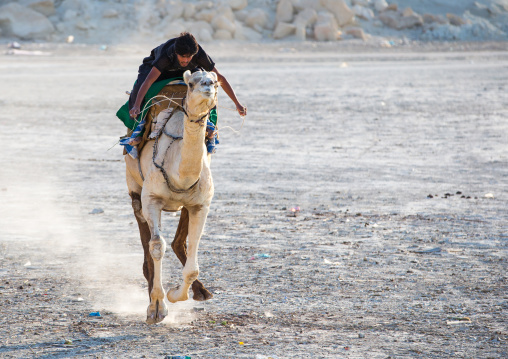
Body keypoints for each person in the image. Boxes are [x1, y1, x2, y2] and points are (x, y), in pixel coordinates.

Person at [121, 32, 246, 158]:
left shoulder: (198, 54)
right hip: (160, 70)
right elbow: (148, 81)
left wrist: (237, 103)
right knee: (141, 86)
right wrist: (136, 105)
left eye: (189, 57)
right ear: (176, 53)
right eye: (183, 57)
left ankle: (210, 128)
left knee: (207, 87)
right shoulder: (166, 55)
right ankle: (136, 133)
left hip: (187, 71)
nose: (186, 60)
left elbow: (220, 78)